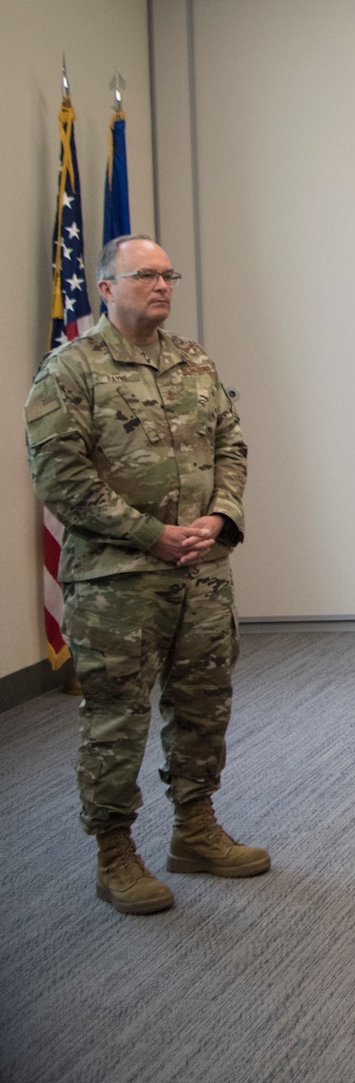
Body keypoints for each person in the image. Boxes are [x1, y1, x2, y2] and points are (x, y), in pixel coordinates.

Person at [24, 234, 265, 916]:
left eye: (168, 274)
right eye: (145, 275)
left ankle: (195, 827)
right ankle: (114, 851)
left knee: (202, 700)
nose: (162, 285)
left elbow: (231, 443)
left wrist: (218, 517)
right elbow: (60, 478)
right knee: (117, 716)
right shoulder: (70, 371)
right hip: (117, 577)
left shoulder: (194, 361)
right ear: (106, 287)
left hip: (202, 568)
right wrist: (151, 534)